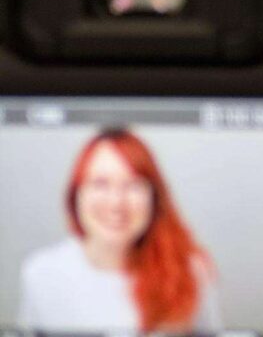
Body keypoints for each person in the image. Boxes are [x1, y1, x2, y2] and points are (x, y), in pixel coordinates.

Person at [17, 128, 221, 332]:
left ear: (155, 198)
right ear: (76, 195)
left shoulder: (192, 272)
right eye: (100, 184)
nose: (116, 203)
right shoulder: (41, 274)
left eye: (133, 185)